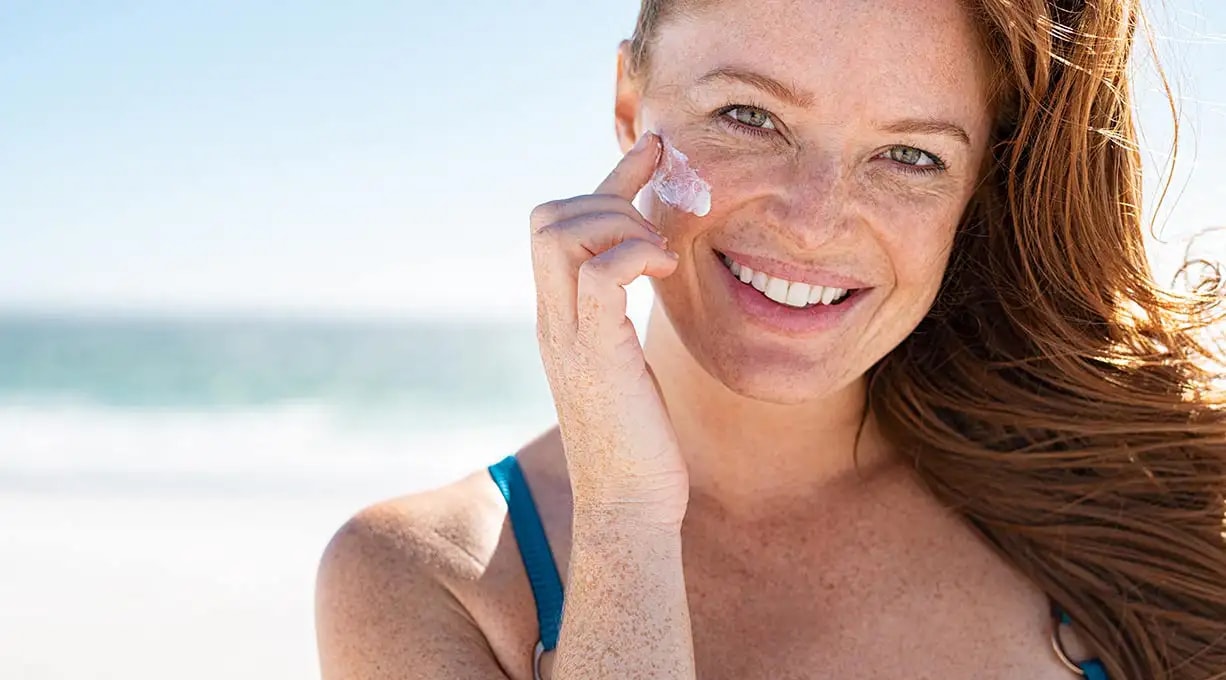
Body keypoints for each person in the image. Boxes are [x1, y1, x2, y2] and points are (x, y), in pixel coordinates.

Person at [314, 0, 1226, 677]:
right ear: (631, 103)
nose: (813, 221)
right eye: (750, 117)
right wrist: (626, 519)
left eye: (911, 155)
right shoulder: (429, 579)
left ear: (978, 187)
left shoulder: (1160, 509)